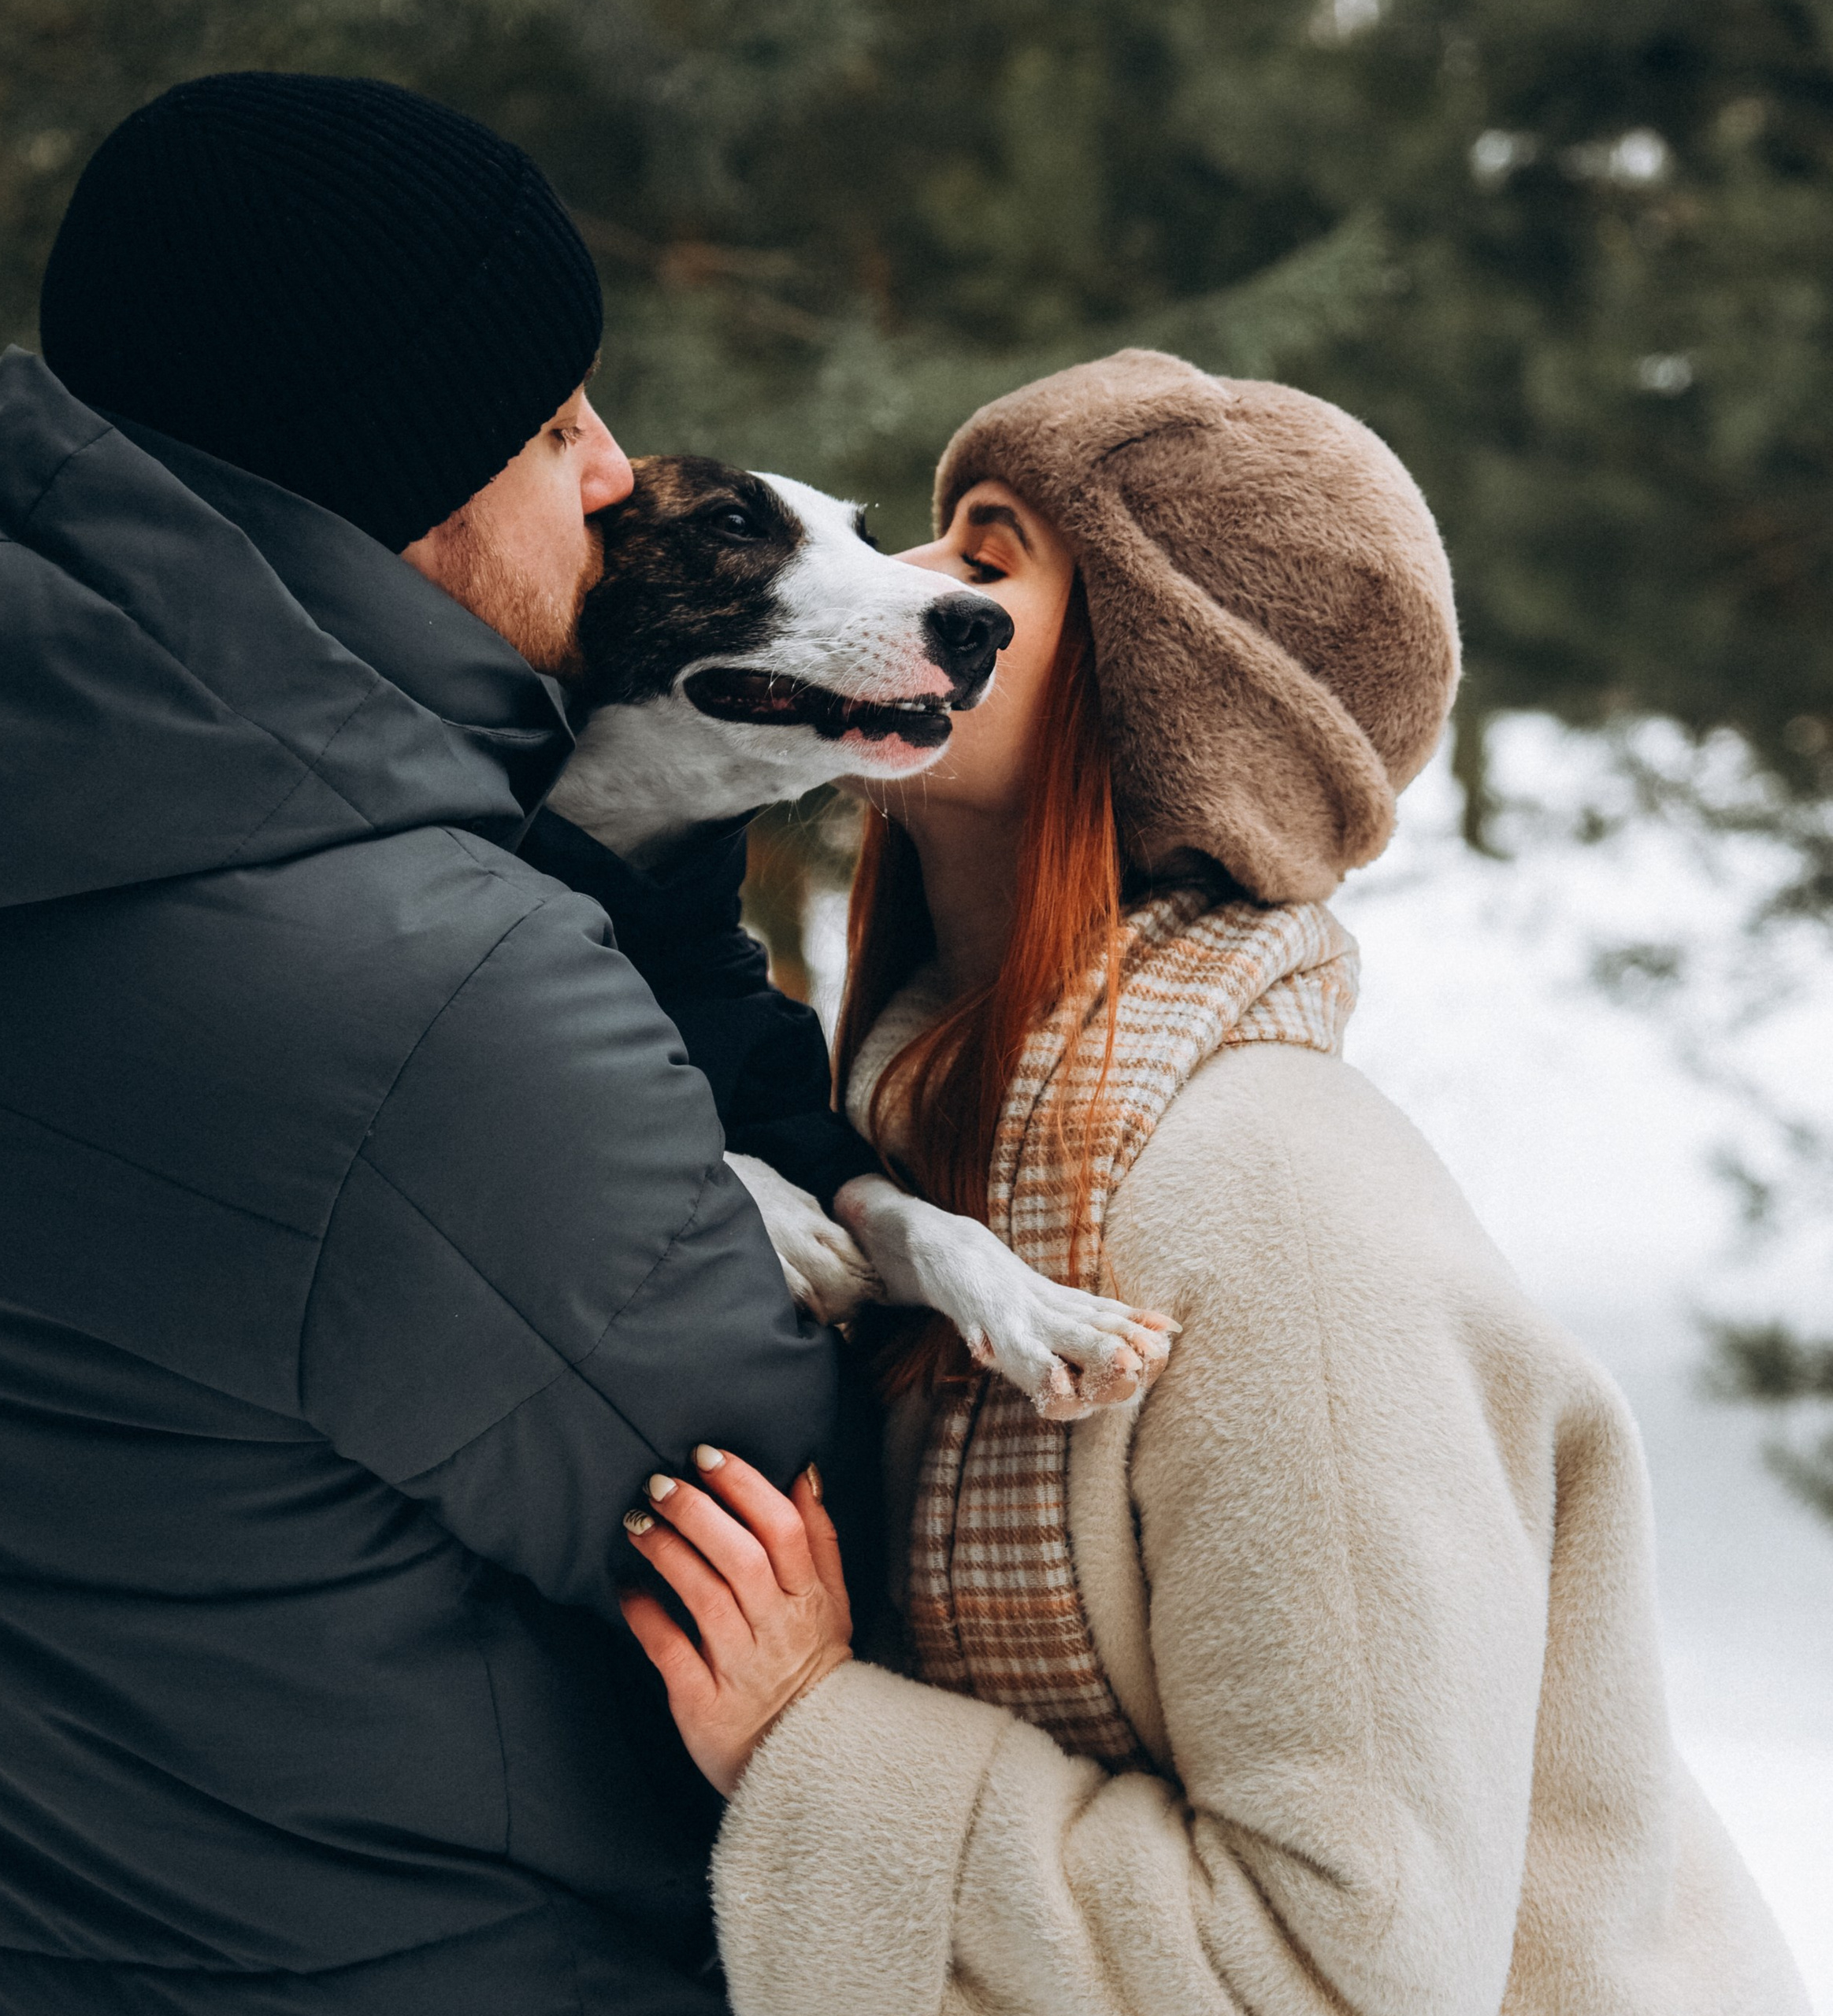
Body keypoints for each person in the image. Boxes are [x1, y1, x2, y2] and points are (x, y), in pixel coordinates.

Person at [616, 350, 1813, 2015]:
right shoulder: (914, 1157)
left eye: (983, 559)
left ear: (1163, 688)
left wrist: (811, 1734)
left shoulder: (1271, 1208)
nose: (897, 588)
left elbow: (1342, 1973)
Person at [0, 72, 837, 2016]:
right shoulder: (431, 1004)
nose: (617, 472)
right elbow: (799, 1515)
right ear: (399, 499)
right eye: (553, 426)